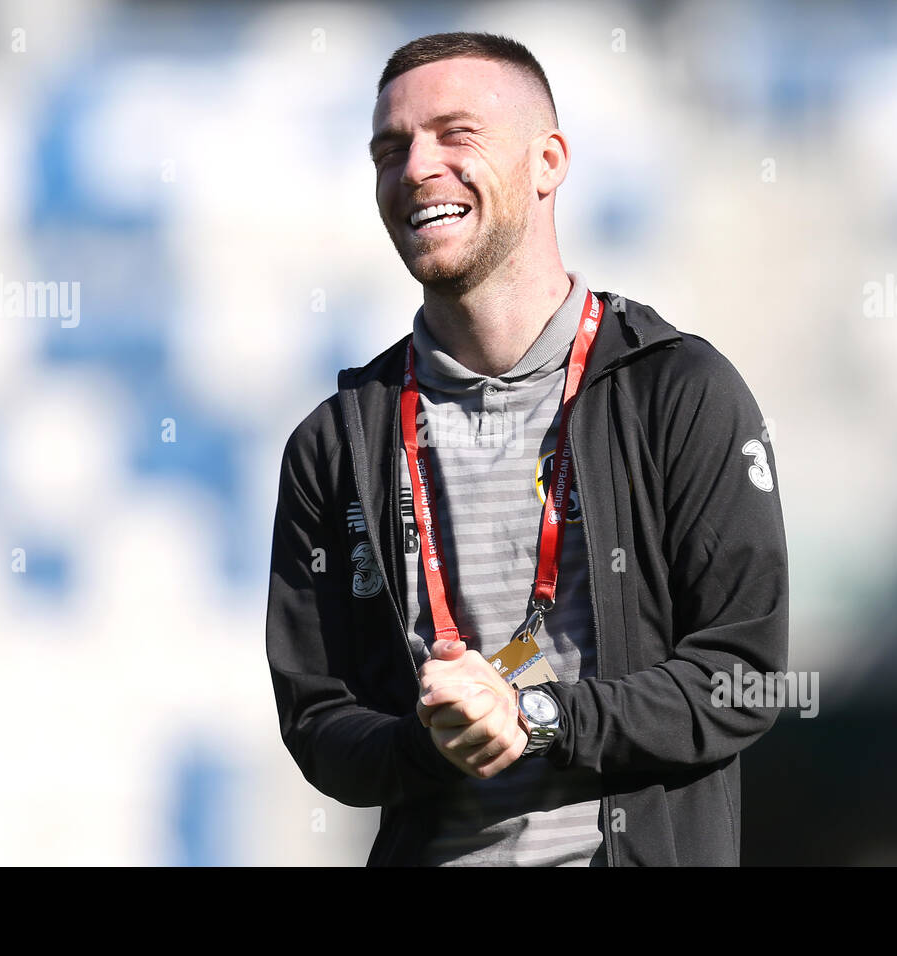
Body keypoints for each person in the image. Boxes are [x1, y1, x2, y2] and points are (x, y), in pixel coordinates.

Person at [265, 31, 789, 866]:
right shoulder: (336, 442)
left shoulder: (677, 389)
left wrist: (541, 716)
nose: (417, 168)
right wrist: (431, 742)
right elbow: (318, 716)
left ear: (549, 162)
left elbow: (746, 678)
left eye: (455, 134)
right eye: (390, 149)